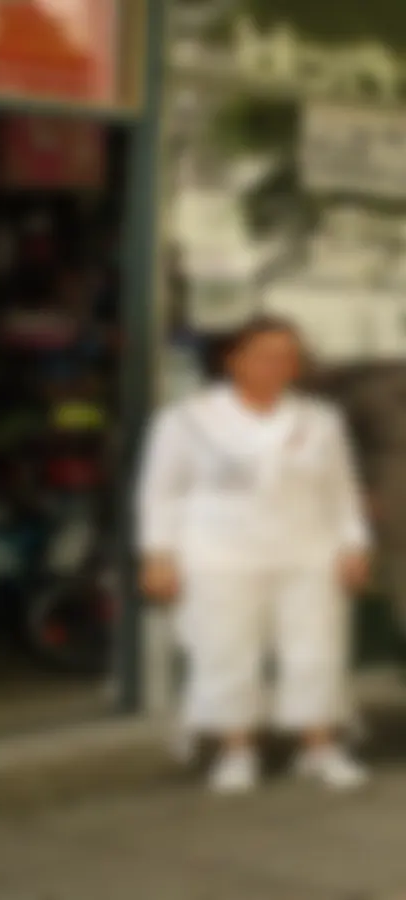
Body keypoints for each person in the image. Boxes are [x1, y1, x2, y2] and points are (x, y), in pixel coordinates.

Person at [136, 316, 371, 795]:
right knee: (225, 651)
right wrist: (158, 554)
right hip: (219, 555)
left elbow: (341, 491)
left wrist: (354, 543)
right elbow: (160, 493)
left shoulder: (320, 419)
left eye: (288, 356)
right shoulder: (187, 419)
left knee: (316, 650)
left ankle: (318, 745)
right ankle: (236, 749)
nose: (277, 365)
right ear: (234, 360)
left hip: (308, 552)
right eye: (265, 355)